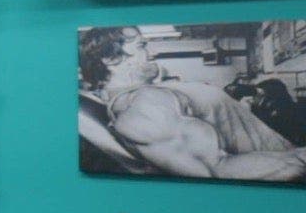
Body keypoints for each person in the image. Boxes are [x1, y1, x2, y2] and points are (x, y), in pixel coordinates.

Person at [80, 27, 306, 181]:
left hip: (281, 145)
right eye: (141, 46)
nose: (151, 53)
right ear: (109, 59)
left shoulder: (149, 95)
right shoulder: (144, 109)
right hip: (288, 160)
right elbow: (216, 170)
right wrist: (298, 159)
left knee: (274, 88)